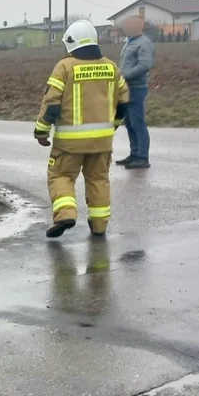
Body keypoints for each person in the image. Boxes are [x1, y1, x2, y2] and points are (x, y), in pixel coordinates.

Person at [34, 20, 130, 239]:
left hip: (69, 142)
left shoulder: (65, 67)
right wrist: (111, 127)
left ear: (70, 42)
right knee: (98, 179)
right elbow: (124, 102)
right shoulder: (111, 66)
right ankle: (99, 225)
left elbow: (51, 103)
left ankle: (65, 214)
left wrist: (41, 131)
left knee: (61, 176)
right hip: (102, 141)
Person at [116, 15, 155, 169]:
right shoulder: (129, 41)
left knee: (138, 122)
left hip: (137, 87)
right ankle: (134, 154)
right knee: (130, 123)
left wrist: (125, 75)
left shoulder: (144, 43)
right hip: (126, 87)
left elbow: (144, 65)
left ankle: (142, 157)